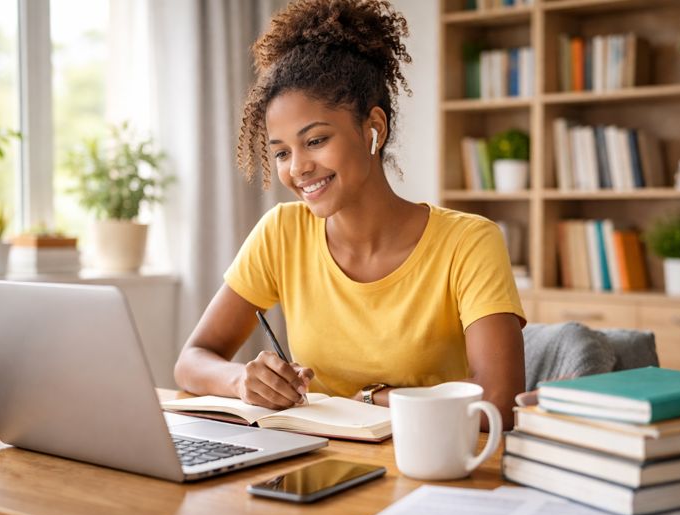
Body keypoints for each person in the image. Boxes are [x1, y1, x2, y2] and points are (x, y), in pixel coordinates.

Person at [174, 0, 526, 429]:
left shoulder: (468, 242)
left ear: (373, 127)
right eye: (282, 152)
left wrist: (371, 399)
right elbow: (191, 361)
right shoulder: (282, 233)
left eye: (316, 140)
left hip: (430, 469)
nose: (297, 167)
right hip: (316, 467)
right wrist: (242, 380)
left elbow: (499, 402)